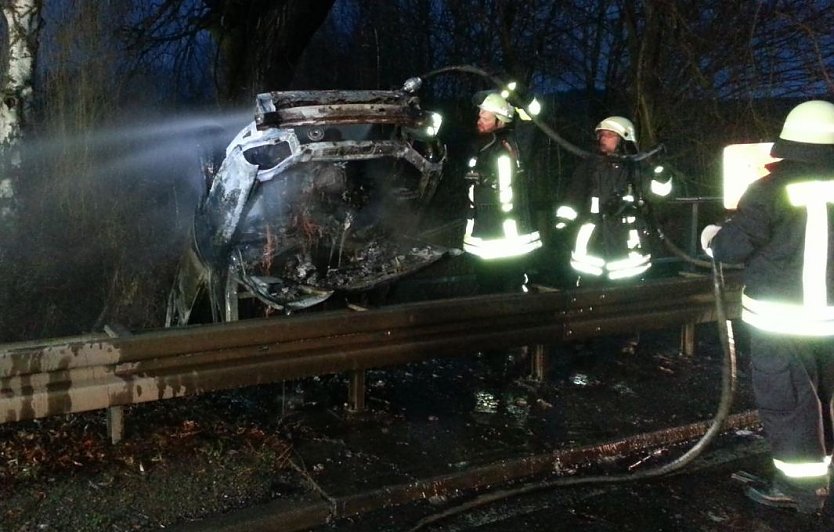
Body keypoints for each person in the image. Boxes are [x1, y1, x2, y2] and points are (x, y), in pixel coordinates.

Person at [700, 100, 834, 515]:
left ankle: (800, 490)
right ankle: (822, 472)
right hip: (829, 319)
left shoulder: (769, 189)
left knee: (789, 401)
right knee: (823, 395)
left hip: (781, 320)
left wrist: (711, 236)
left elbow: (732, 247)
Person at [554, 116, 672, 287]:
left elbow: (659, 195)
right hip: (591, 248)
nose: (603, 139)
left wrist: (662, 173)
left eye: (609, 134)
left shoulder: (636, 168)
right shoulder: (590, 166)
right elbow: (573, 197)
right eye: (602, 135)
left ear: (624, 139)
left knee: (628, 295)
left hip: (627, 248)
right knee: (588, 295)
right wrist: (562, 225)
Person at [463, 91, 542, 294]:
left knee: (512, 284)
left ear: (500, 121)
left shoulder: (515, 143)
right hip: (485, 230)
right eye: (479, 116)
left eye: (485, 117)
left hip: (509, 233)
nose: (479, 120)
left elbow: (531, 116)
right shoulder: (482, 146)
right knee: (487, 285)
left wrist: (520, 96)